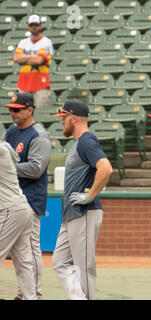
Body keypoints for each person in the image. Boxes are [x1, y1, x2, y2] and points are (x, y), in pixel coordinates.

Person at [51, 99, 113, 300]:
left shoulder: (86, 140)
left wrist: (90, 195)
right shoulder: (78, 143)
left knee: (83, 268)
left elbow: (106, 168)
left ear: (74, 118)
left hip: (84, 212)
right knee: (59, 262)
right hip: (71, 214)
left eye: (64, 118)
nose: (61, 122)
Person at [1, 92, 51, 300]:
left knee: (30, 249)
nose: (12, 113)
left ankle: (34, 294)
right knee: (21, 254)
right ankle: (28, 294)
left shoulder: (38, 135)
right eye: (11, 109)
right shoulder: (12, 132)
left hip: (30, 198)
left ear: (30, 109)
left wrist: (8, 168)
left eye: (17, 109)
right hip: (12, 195)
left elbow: (36, 168)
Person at [0, 140, 37, 300]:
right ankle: (30, 297)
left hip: (11, 210)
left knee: (24, 261)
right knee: (23, 262)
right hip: (21, 208)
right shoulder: (4, 147)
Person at [13, 14, 54, 108]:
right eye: (31, 25)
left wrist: (24, 58)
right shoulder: (23, 42)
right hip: (24, 84)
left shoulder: (46, 42)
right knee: (23, 114)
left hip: (41, 84)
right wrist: (33, 57)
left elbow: (39, 60)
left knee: (41, 113)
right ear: (28, 27)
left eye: (36, 25)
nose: (34, 27)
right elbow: (16, 58)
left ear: (41, 26)